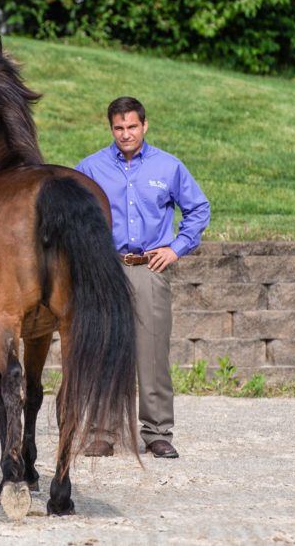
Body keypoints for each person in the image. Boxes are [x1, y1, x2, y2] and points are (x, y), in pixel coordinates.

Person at [75, 97, 210, 459]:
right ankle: (102, 431)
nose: (126, 134)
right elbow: (71, 212)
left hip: (151, 269)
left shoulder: (168, 166)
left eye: (132, 126)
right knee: (103, 349)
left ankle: (157, 432)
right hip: (108, 269)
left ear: (145, 126)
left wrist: (177, 248)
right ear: (111, 129)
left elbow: (198, 209)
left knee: (152, 353)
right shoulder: (90, 168)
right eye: (118, 128)